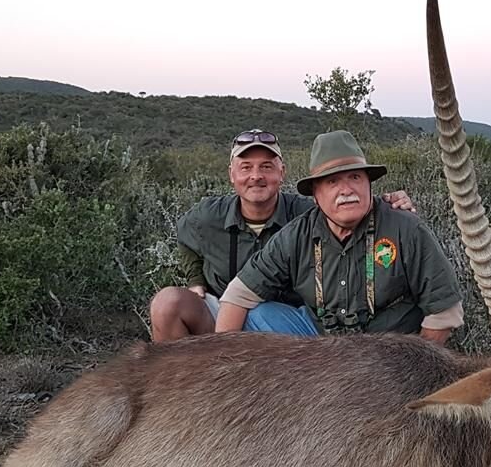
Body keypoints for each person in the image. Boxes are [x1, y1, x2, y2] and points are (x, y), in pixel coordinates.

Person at [149, 129, 415, 341]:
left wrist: (388, 204)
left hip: (285, 325)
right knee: (166, 304)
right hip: (223, 317)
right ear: (232, 174)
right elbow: (185, 241)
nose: (256, 176)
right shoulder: (208, 215)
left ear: (281, 172)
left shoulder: (308, 214)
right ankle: (185, 390)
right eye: (246, 167)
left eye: (266, 166)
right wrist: (195, 279)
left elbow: (347, 209)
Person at [215, 130, 463, 343]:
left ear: (368, 183)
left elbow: (444, 312)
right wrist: (222, 362)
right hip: (320, 347)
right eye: (332, 181)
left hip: (387, 351)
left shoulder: (406, 228)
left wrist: (415, 367)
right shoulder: (297, 233)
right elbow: (238, 295)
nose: (347, 190)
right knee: (259, 315)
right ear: (316, 193)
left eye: (355, 177)